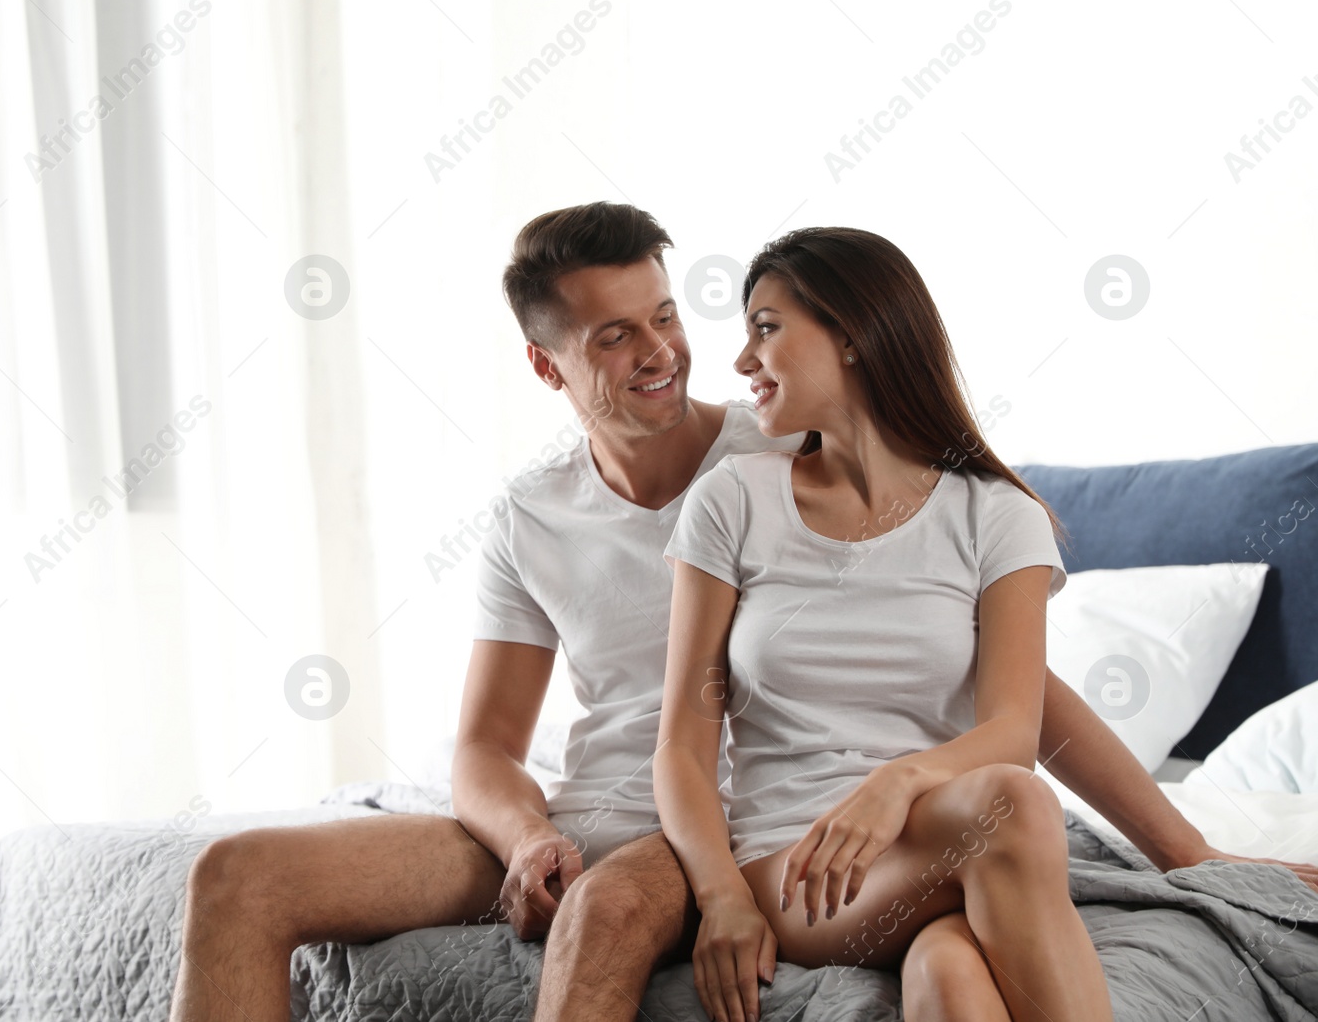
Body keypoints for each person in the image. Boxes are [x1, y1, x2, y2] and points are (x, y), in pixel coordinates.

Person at [169, 203, 1316, 1022]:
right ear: (544, 365)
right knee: (234, 874)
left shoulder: (781, 444)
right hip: (601, 811)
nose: (664, 349)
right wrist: (527, 838)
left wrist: (1185, 852)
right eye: (613, 334)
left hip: (723, 826)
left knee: (623, 907)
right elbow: (483, 743)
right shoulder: (536, 514)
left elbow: (1008, 687)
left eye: (663, 314)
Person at [656, 225, 1111, 1022]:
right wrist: (723, 896)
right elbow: (682, 749)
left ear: (854, 333)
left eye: (766, 327)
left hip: (943, 841)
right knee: (1013, 804)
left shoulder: (997, 515)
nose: (741, 361)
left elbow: (1013, 727)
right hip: (797, 864)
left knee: (950, 975)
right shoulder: (732, 499)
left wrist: (896, 782)